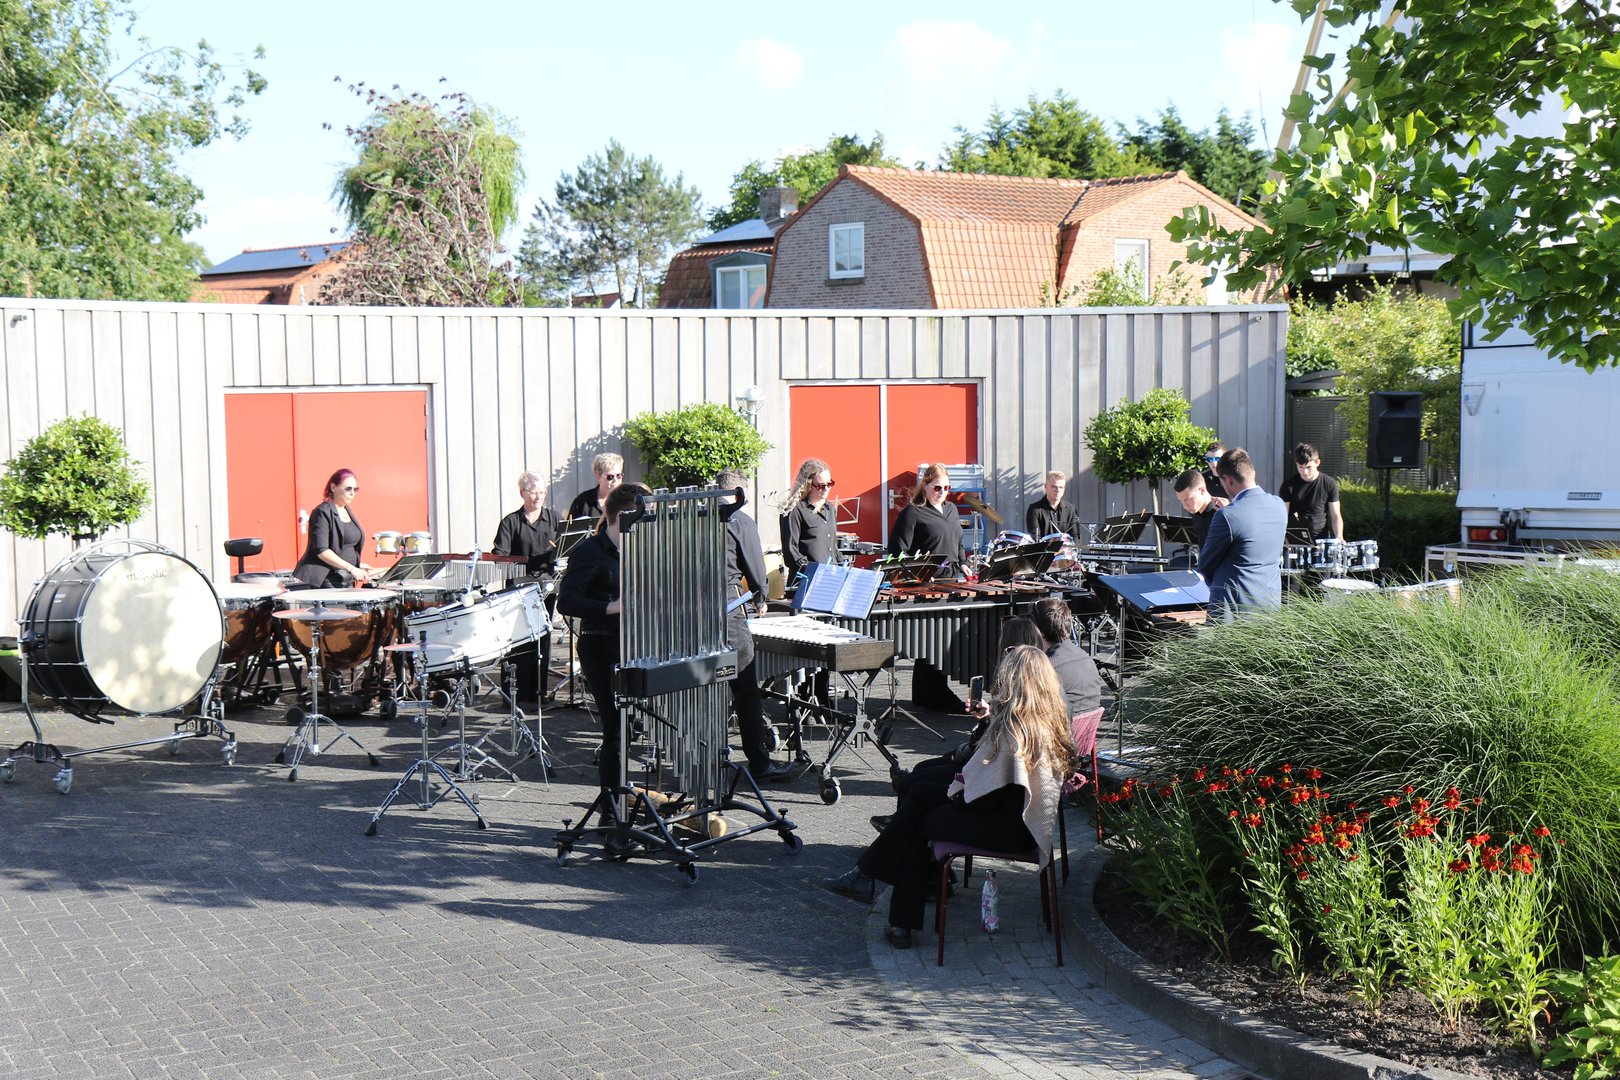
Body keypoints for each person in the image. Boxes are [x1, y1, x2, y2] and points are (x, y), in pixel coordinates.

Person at [822, 645, 1075, 950]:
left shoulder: (1014, 728)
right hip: (1021, 826)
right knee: (919, 801)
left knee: (918, 819)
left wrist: (955, 793)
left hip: (1006, 829)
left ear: (1014, 681)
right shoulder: (1049, 719)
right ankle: (885, 902)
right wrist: (959, 787)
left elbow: (983, 796)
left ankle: (882, 896)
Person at [557, 482, 650, 796]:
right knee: (617, 729)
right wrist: (613, 607)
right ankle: (610, 810)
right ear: (622, 516)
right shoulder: (590, 552)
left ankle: (627, 797)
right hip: (601, 647)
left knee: (630, 727)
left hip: (636, 646)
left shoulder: (641, 549)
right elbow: (566, 602)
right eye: (642, 517)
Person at [717, 469, 794, 784]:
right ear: (741, 493)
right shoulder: (740, 520)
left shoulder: (696, 518)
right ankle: (760, 764)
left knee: (704, 687)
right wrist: (761, 598)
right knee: (745, 690)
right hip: (728, 610)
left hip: (693, 615)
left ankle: (706, 757)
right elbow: (755, 568)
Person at [492, 470, 559, 705]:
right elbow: (500, 554)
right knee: (518, 641)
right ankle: (514, 693)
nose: (538, 497)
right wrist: (511, 561)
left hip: (546, 587)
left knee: (543, 640)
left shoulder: (554, 519)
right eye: (533, 492)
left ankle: (538, 692)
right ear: (522, 493)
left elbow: (565, 549)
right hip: (519, 590)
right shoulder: (510, 522)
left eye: (542, 492)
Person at [1198, 448, 1287, 619]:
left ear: (1228, 480)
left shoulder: (1227, 515)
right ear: (1252, 472)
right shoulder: (1279, 505)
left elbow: (1205, 565)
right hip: (1270, 604)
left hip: (1234, 611)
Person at [292, 468, 377, 588]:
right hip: (327, 579)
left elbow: (345, 547)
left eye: (355, 489)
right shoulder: (322, 512)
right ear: (333, 487)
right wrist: (351, 568)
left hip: (346, 577)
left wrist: (358, 565)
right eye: (348, 489)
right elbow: (322, 551)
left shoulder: (347, 510)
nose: (352, 493)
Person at [888, 463, 964, 568]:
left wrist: (963, 564)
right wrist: (917, 570)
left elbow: (958, 543)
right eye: (937, 488)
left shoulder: (952, 508)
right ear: (924, 485)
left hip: (952, 574)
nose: (942, 492)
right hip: (927, 576)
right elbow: (896, 549)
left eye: (946, 487)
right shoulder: (912, 512)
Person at [779, 458, 837, 588]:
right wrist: (812, 569)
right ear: (808, 485)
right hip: (806, 580)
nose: (826, 489)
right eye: (820, 485)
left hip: (830, 580)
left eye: (830, 484)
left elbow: (832, 547)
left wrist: (840, 569)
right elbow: (791, 552)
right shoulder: (794, 510)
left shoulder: (829, 508)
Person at [1278, 442, 1345, 543]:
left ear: (1317, 463)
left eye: (1309, 467)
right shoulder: (1288, 486)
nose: (1304, 472)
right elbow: (1283, 515)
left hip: (1321, 539)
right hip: (1295, 539)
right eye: (1300, 467)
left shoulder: (1329, 483)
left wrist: (1339, 537)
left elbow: (1336, 515)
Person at [565, 452, 625, 525]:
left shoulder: (629, 500)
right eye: (610, 477)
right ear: (598, 476)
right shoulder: (582, 502)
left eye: (619, 475)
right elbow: (571, 529)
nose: (615, 480)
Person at [1172, 468, 1227, 546]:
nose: (1185, 506)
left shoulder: (1222, 514)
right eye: (1181, 501)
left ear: (1202, 490)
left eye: (1188, 499)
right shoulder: (1197, 516)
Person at [1024, 470, 1083, 540]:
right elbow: (1035, 538)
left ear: (1064, 488)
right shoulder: (1035, 510)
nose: (1058, 490)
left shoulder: (1071, 509)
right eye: (1054, 487)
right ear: (1046, 487)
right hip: (1044, 547)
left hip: (1066, 547)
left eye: (1061, 487)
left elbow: (1076, 538)